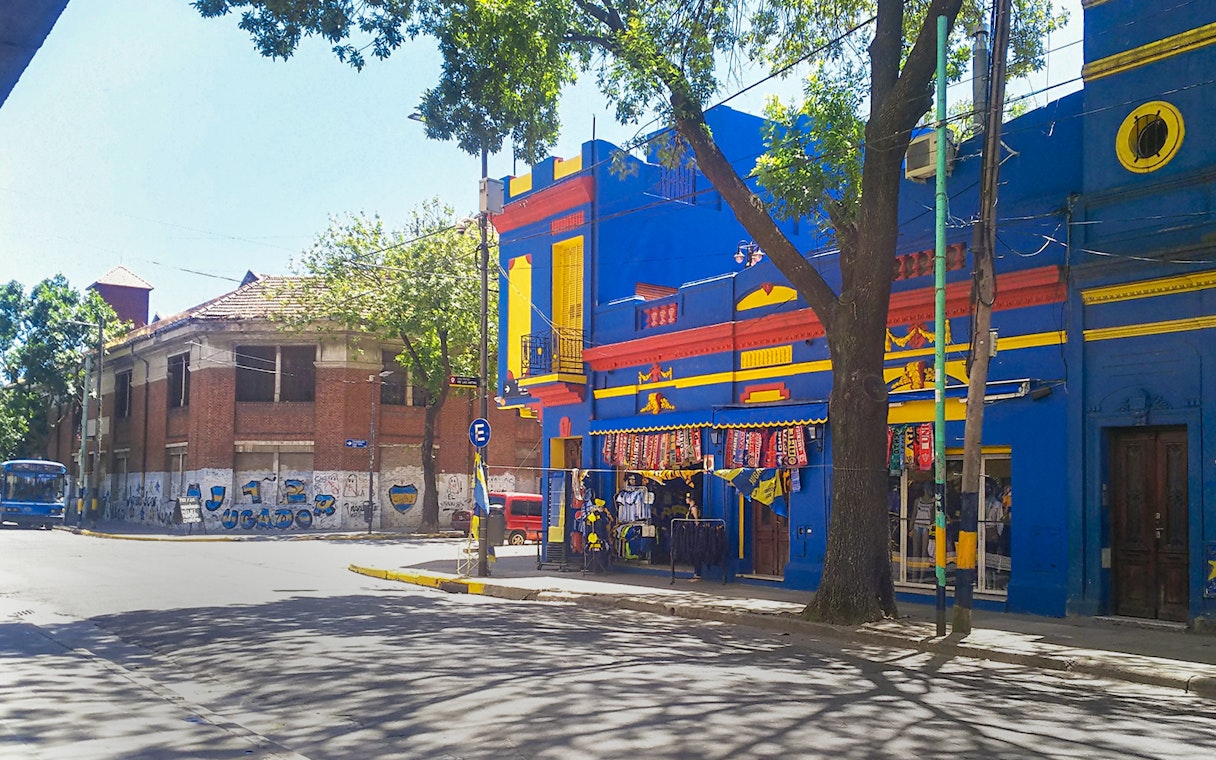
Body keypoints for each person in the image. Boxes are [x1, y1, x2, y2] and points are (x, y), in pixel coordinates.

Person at [685, 492, 702, 581]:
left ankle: (697, 574)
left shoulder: (694, 508)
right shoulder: (690, 508)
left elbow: (696, 521)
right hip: (690, 531)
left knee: (696, 552)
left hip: (694, 532)